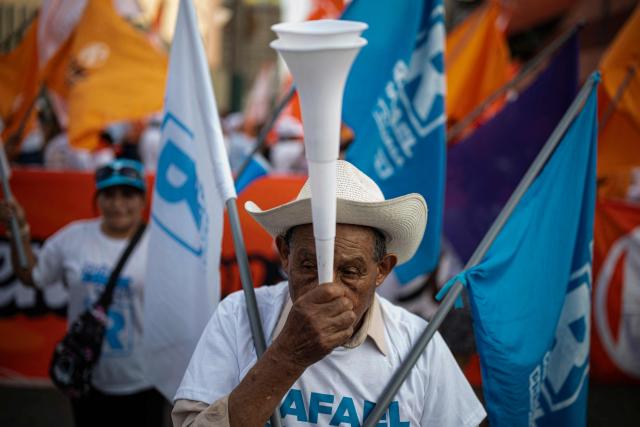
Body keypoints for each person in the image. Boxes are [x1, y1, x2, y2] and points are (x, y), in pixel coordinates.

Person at [172, 160, 486, 426]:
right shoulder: (240, 314)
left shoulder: (420, 346)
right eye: (310, 265)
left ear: (382, 270)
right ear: (285, 254)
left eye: (350, 271)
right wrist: (288, 356)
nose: (328, 288)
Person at [0, 158, 165, 427]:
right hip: (88, 379)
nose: (118, 204)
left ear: (144, 200)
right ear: (97, 199)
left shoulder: (163, 244)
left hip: (145, 382)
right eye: (108, 195)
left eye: (128, 195)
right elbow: (31, 276)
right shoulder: (73, 238)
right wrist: (19, 229)